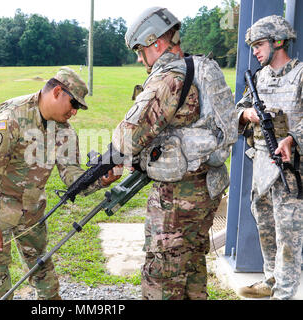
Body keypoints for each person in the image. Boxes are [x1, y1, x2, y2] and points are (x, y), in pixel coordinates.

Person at [0, 67, 120, 300]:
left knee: (43, 274)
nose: (75, 112)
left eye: (78, 108)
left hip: (30, 210)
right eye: (74, 104)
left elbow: (72, 176)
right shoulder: (13, 117)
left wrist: (102, 178)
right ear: (57, 92)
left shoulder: (64, 131)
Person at [111, 7, 235, 300]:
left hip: (178, 198)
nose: (140, 59)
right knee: (191, 265)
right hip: (208, 186)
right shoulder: (201, 67)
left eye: (140, 51)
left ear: (156, 42)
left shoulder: (169, 79)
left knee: (162, 277)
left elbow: (127, 138)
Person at [236, 15, 302, 300]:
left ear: (278, 41)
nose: (255, 51)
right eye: (252, 46)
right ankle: (272, 280)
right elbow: (237, 111)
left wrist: (293, 138)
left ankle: (285, 293)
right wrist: (246, 113)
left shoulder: (300, 75)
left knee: (289, 233)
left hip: (292, 168)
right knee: (265, 226)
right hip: (263, 164)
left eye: (259, 44)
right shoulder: (259, 78)